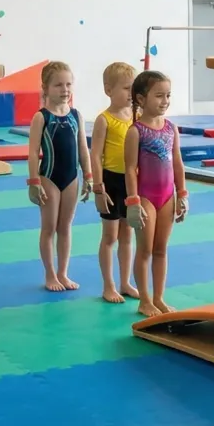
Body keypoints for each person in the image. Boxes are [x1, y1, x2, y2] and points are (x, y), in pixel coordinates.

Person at [124, 69, 188, 318]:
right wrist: (133, 202)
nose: (165, 101)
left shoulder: (171, 128)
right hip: (146, 198)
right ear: (141, 99)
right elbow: (130, 169)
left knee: (161, 249)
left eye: (168, 95)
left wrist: (182, 194)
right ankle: (145, 300)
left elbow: (177, 163)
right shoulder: (136, 131)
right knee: (145, 250)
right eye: (159, 95)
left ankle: (159, 297)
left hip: (167, 197)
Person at [26, 62, 93, 292]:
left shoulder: (76, 115)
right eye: (58, 85)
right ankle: (50, 274)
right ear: (45, 87)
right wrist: (33, 182)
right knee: (49, 227)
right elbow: (34, 152)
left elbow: (83, 148)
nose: (65, 89)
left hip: (72, 177)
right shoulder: (41, 117)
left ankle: (63, 273)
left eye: (68, 84)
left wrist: (89, 176)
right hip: (49, 178)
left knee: (65, 227)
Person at [90, 61, 138, 304]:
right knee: (110, 236)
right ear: (109, 90)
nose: (131, 94)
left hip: (131, 181)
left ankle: (125, 281)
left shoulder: (136, 117)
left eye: (133, 89)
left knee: (127, 233)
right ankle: (108, 285)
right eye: (126, 89)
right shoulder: (104, 120)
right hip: (109, 181)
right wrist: (97, 187)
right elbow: (95, 155)